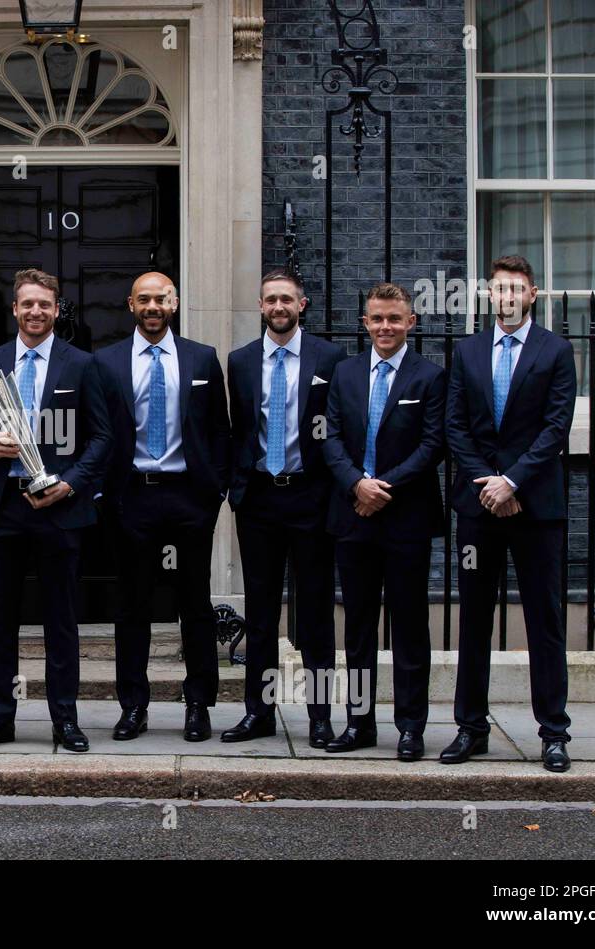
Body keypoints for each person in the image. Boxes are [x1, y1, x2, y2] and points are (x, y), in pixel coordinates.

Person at [0, 268, 111, 753]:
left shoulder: (82, 364)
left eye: (44, 305)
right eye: (27, 304)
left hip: (58, 508)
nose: (35, 312)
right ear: (15, 309)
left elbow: (101, 438)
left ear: (56, 310)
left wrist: (69, 485)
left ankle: (65, 721)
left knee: (61, 621)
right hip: (3, 506)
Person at [443, 255, 576, 772]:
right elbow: (456, 426)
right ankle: (470, 728)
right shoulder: (469, 351)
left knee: (545, 621)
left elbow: (555, 428)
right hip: (480, 506)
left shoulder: (556, 351)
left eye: (517, 288)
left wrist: (513, 480)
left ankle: (554, 733)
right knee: (474, 620)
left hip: (535, 507)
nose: (508, 296)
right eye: (499, 289)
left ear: (532, 294)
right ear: (490, 295)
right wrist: (490, 484)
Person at [94, 272, 230, 742]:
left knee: (196, 605)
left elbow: (219, 429)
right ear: (131, 304)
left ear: (174, 303)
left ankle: (198, 705)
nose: (153, 306)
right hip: (132, 496)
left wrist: (216, 490)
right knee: (132, 606)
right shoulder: (106, 362)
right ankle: (133, 706)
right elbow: (100, 433)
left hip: (189, 495)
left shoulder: (201, 358)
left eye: (162, 298)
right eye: (145, 299)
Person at [322, 282, 446, 760]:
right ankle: (359, 724)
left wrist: (381, 488)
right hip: (354, 516)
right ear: (365, 322)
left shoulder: (430, 377)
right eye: (377, 319)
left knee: (411, 626)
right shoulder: (346, 372)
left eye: (395, 319)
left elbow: (433, 446)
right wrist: (357, 484)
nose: (386, 327)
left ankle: (411, 726)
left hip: (406, 519)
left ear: (411, 322)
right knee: (357, 629)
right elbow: (329, 437)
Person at [222, 269, 346, 746]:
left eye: (287, 300)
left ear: (302, 304)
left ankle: (319, 716)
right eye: (271, 300)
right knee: (259, 613)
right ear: (260, 306)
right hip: (259, 499)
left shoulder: (330, 358)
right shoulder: (242, 361)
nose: (279, 307)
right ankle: (259, 713)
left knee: (314, 613)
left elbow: (337, 427)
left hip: (310, 498)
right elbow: (237, 430)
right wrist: (237, 488)